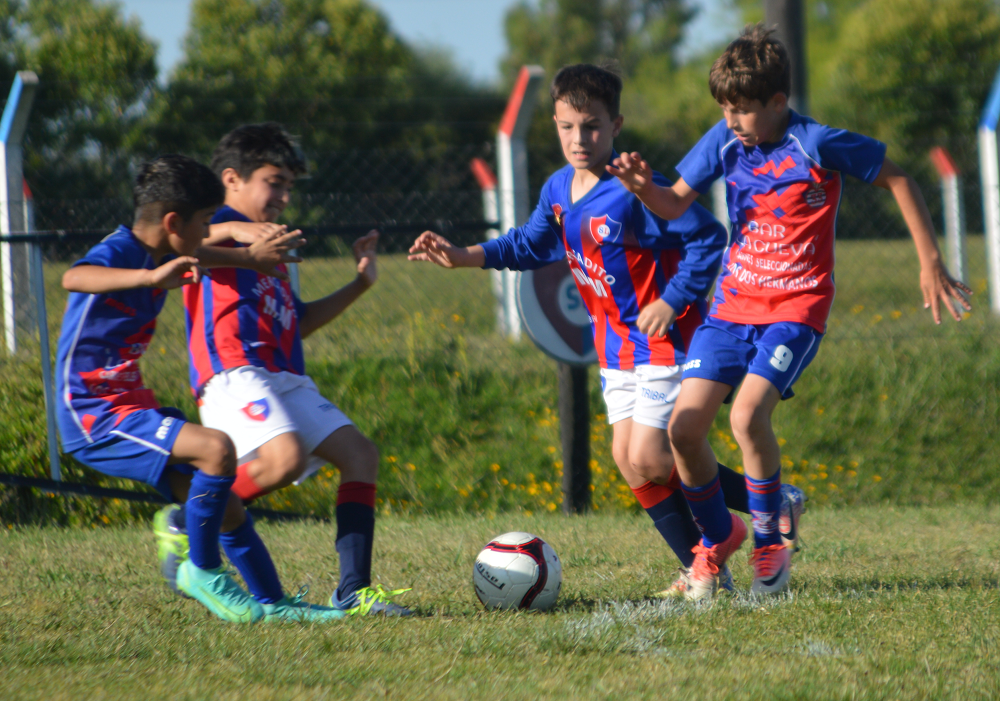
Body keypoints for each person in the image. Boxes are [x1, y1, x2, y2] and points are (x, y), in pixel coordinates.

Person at [409, 64, 804, 597]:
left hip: (667, 339)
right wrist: (463, 257)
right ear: (554, 123)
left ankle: (740, 524)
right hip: (616, 347)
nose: (579, 139)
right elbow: (528, 244)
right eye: (569, 127)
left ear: (615, 125)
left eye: (592, 126)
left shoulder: (634, 190)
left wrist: (672, 298)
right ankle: (709, 564)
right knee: (631, 463)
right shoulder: (557, 188)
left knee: (652, 455)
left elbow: (707, 236)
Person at [608, 24, 972, 600]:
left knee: (747, 417)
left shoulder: (816, 143)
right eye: (725, 109)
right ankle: (718, 540)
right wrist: (640, 186)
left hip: (796, 308)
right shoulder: (725, 140)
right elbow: (675, 201)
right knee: (682, 430)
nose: (732, 120)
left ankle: (771, 542)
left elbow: (898, 176)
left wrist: (930, 261)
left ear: (778, 102)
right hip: (730, 309)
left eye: (744, 110)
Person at [56, 154, 344, 623]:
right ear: (174, 223)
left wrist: (248, 258)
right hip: (93, 414)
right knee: (217, 449)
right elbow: (74, 277)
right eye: (207, 220)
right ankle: (203, 572)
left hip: (129, 404)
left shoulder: (162, 250)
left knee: (224, 504)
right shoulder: (122, 252)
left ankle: (274, 604)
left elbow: (203, 253)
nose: (213, 228)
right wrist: (150, 279)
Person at [156, 123, 411, 616]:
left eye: (289, 187)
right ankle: (185, 522)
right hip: (232, 371)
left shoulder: (272, 246)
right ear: (231, 178)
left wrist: (360, 284)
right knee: (285, 457)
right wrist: (234, 233)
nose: (283, 196)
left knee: (360, 455)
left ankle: (354, 591)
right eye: (274, 182)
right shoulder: (212, 224)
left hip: (284, 374)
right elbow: (176, 246)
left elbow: (299, 321)